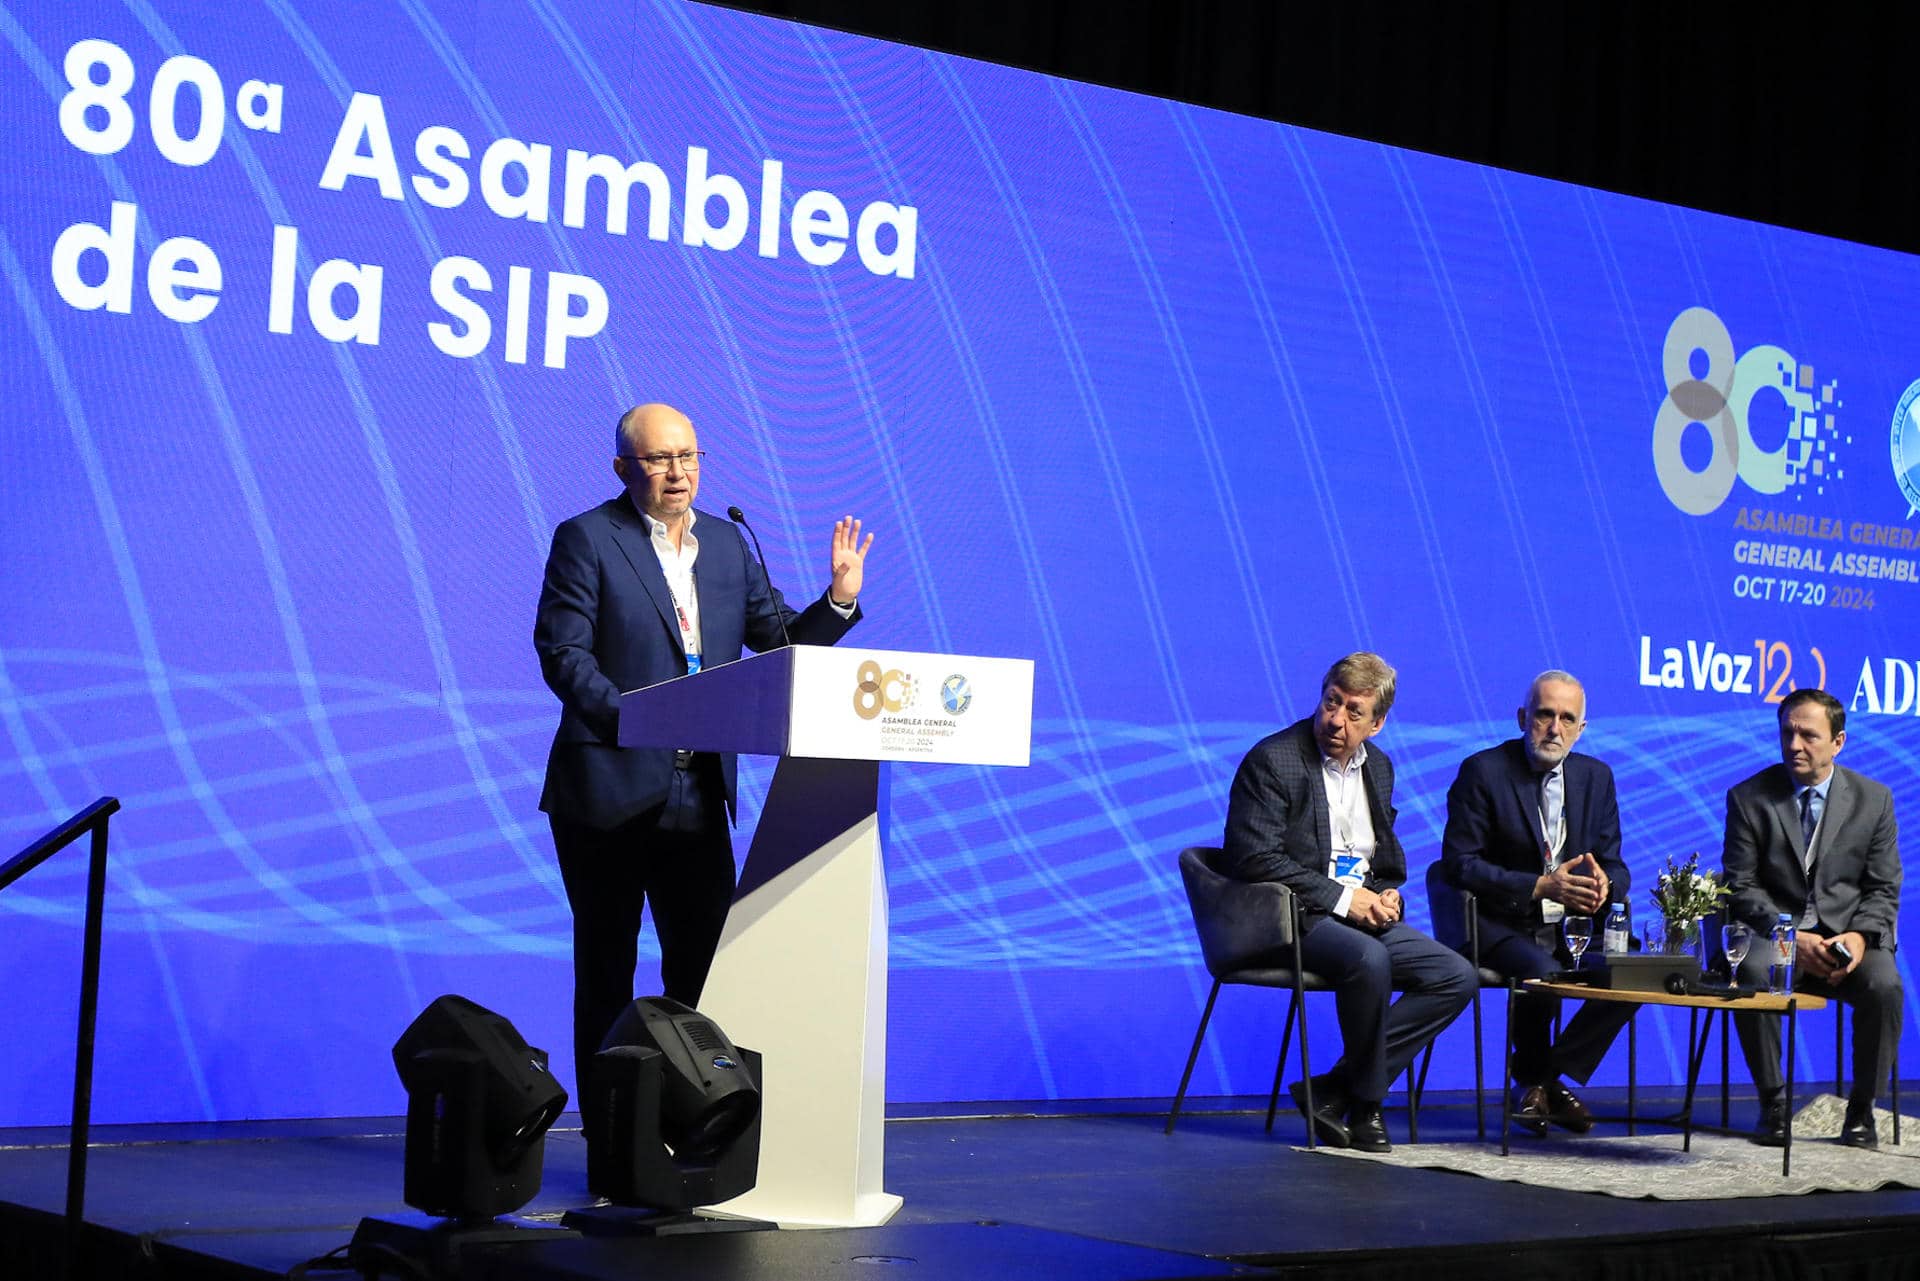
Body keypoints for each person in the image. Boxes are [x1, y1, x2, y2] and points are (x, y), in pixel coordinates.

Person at [535, 402, 872, 1140]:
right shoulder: (588, 539)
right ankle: (612, 1135)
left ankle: (690, 1125)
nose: (676, 472)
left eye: (686, 456)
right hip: (607, 791)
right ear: (624, 467)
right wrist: (637, 720)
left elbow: (781, 644)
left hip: (697, 791)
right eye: (658, 459)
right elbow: (564, 656)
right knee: (607, 969)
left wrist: (839, 599)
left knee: (702, 970)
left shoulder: (724, 545)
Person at [1221, 652, 1476, 1153]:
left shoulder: (1378, 768)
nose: (1336, 719)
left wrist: (1385, 891)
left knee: (1456, 975)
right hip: (1288, 918)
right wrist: (1343, 899)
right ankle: (1367, 1105)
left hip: (1356, 914)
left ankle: (1334, 1090)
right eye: (1331, 702)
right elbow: (1253, 858)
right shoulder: (1274, 760)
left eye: (1353, 711)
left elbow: (1380, 856)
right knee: (1369, 958)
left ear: (1377, 723)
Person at [1438, 670, 1633, 1134]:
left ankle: (1544, 1077)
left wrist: (1606, 885)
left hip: (1572, 929)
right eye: (1545, 715)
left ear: (1580, 729)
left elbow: (1617, 866)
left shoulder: (1596, 778)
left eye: (1567, 719)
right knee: (1540, 972)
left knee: (1633, 974)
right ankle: (1535, 1081)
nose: (1555, 728)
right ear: (1523, 717)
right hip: (1497, 922)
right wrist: (1540, 885)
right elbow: (1458, 864)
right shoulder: (1484, 771)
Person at [1723, 688, 1903, 1148]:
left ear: (1837, 742)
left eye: (1808, 735)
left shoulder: (1874, 799)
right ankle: (1774, 1103)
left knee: (1885, 985)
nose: (1795, 745)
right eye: (1787, 733)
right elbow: (1740, 886)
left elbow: (1883, 887)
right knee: (1750, 969)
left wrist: (1861, 937)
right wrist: (1789, 935)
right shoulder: (1748, 797)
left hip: (1848, 938)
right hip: (1777, 938)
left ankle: (1862, 1112)